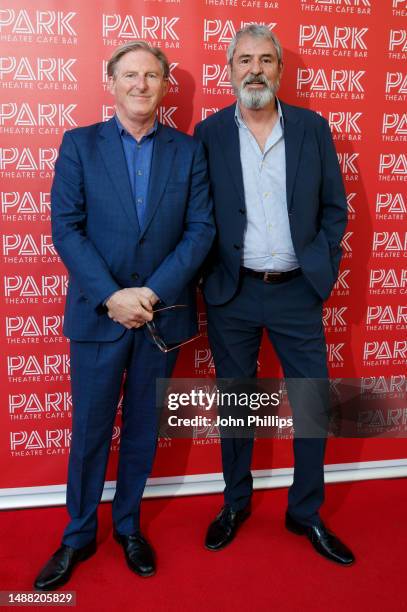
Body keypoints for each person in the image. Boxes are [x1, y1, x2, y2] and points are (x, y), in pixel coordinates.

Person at [34, 41, 214, 590]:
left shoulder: (187, 151)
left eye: (152, 75)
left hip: (161, 318)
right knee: (89, 430)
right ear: (110, 81)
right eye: (130, 75)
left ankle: (129, 526)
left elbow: (201, 229)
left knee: (140, 431)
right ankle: (78, 534)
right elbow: (66, 227)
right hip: (97, 315)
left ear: (164, 86)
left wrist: (151, 294)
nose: (141, 84)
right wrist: (112, 296)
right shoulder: (79, 145)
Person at [194, 24, 354, 565]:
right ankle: (235, 502)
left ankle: (305, 510)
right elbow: (198, 215)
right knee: (237, 405)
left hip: (296, 293)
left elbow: (335, 208)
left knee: (312, 404)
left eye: (266, 60)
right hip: (232, 292)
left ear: (280, 71)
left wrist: (320, 269)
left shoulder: (313, 129)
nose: (255, 69)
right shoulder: (209, 132)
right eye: (244, 60)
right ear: (230, 69)